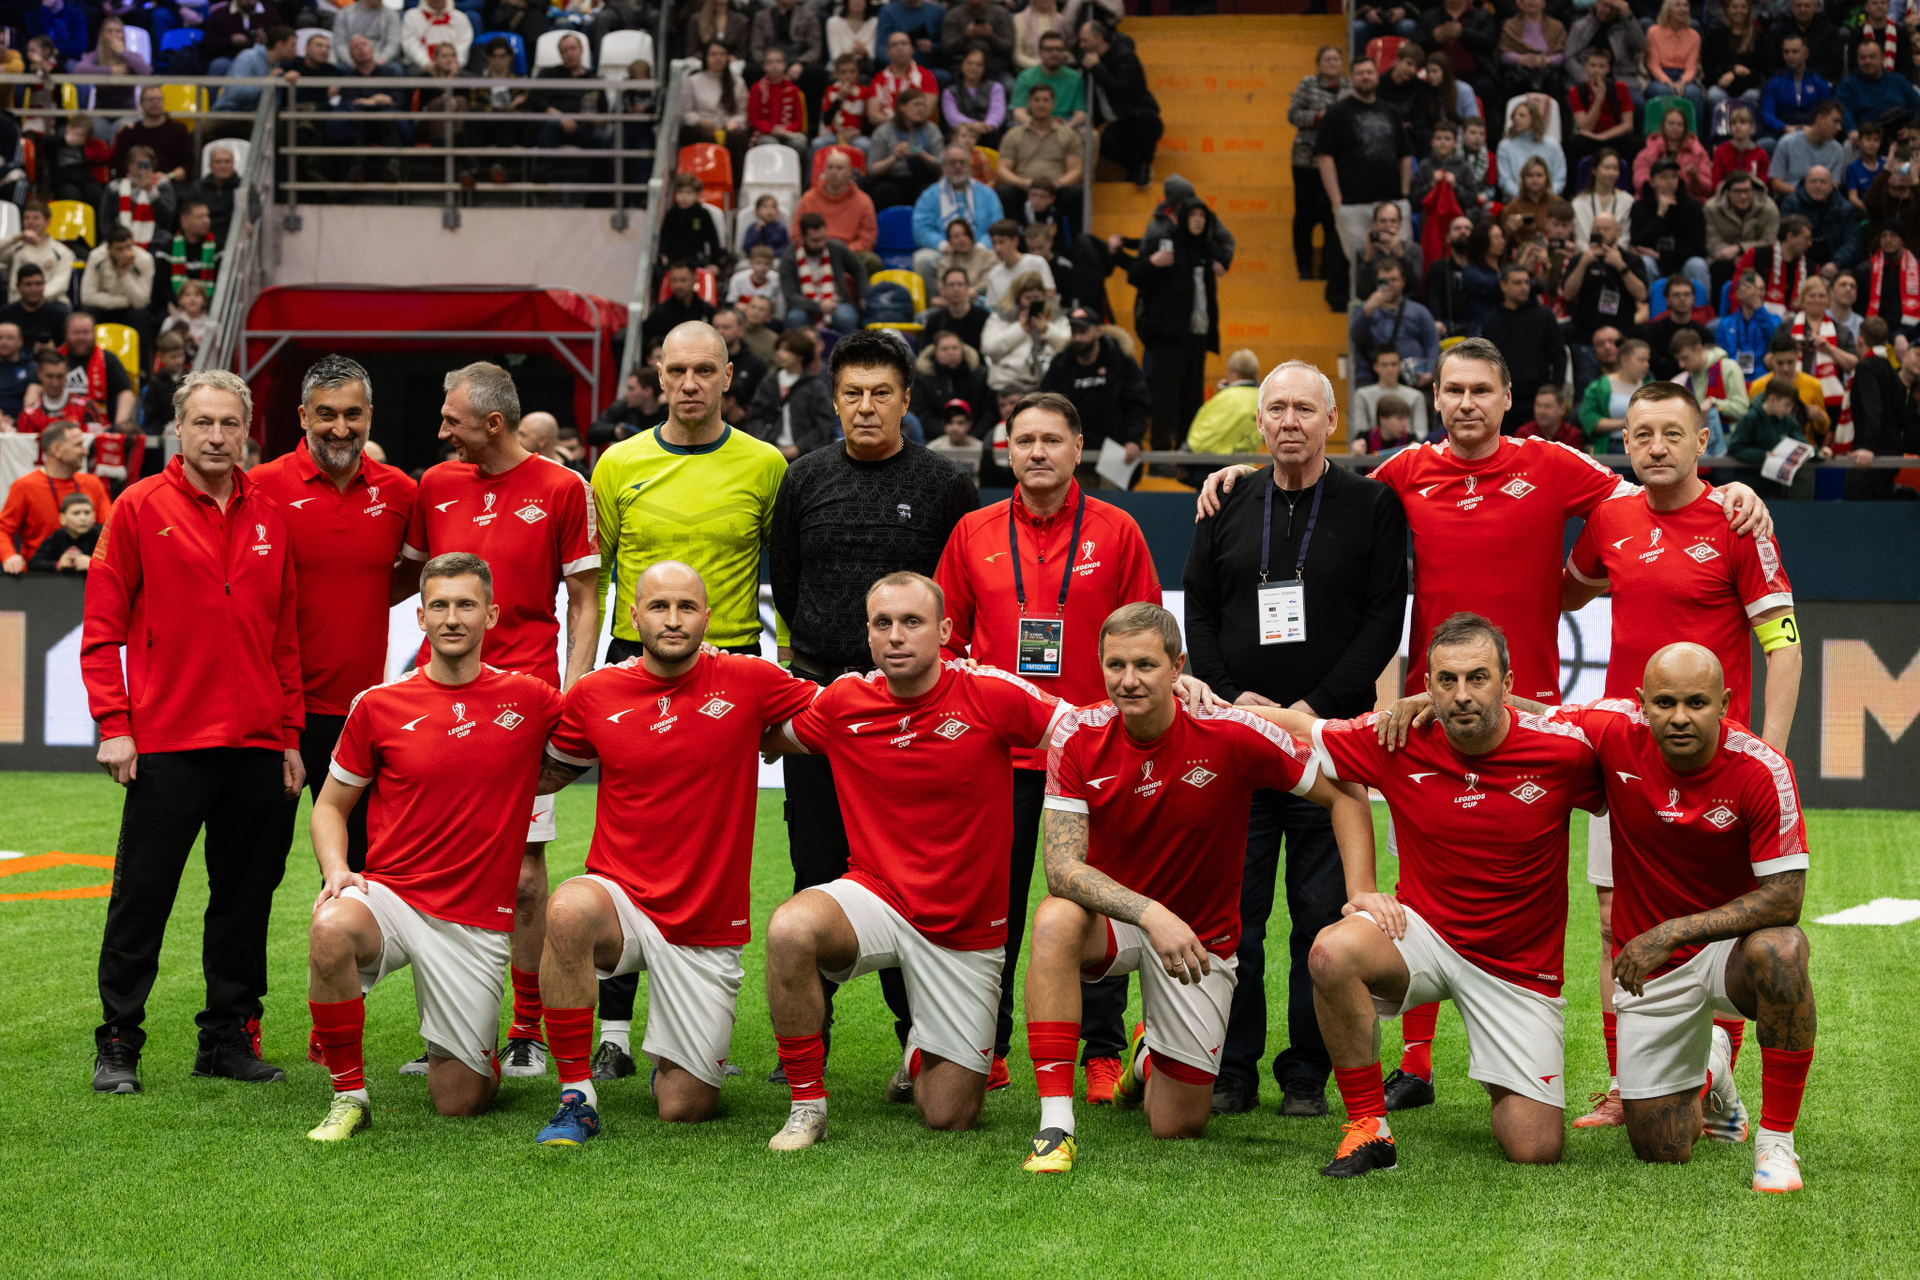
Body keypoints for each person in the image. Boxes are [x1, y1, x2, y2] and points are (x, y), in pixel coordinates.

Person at [1021, 602, 1374, 1170]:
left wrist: (1362, 892)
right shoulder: (1077, 734)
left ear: (1177, 666)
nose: (1129, 681)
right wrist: (1150, 913)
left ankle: (1147, 1060)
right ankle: (1056, 1124)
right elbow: (1061, 868)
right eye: (1115, 665)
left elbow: (1345, 793)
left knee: (1176, 1126)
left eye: (1145, 665)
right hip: (1123, 920)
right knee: (1054, 919)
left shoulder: (1230, 730)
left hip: (1200, 938)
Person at [1267, 613, 1603, 1175]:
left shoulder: (1563, 753)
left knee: (1534, 1148)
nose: (1462, 695)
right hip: (1421, 932)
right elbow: (1299, 728)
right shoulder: (1397, 738)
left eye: (1478, 678)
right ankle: (1369, 1126)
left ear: (1507, 682)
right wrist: (1202, 702)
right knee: (1330, 952)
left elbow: (1638, 758)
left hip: (1517, 968)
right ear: (1426, 686)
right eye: (1447, 681)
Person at [757, 570, 1067, 1149]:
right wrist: (703, 675)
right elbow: (761, 731)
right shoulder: (845, 701)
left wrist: (1177, 696)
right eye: (883, 623)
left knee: (949, 1115)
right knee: (791, 928)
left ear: (945, 631)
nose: (896, 636)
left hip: (965, 927)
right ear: (868, 635)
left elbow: (1087, 734)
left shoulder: (990, 692)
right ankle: (806, 1105)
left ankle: (921, 1052)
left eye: (912, 622)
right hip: (877, 896)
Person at [1559, 380, 1799, 1125]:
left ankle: (1713, 1077)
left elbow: (1784, 644)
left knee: (1728, 920)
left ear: (1703, 441)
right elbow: (1563, 593)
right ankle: (1626, 1083)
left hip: (1717, 768)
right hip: (1626, 763)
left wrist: (1768, 759)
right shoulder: (1610, 518)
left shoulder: (1737, 520)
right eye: (1641, 435)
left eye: (1672, 433)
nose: (1656, 447)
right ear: (1624, 444)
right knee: (1612, 921)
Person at [1181, 360, 1409, 1117]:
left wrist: (1312, 712)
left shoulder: (1372, 504)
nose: (1289, 421)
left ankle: (1307, 1071)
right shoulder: (1226, 500)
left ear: (1331, 421)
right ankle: (1232, 1067)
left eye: (1304, 410)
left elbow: (1383, 621)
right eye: (1275, 408)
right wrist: (1227, 702)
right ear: (1258, 422)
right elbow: (1200, 612)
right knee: (1233, 918)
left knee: (1320, 914)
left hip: (1329, 745)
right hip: (1237, 747)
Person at [528, 560, 820, 1139]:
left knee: (685, 1108)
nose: (673, 619)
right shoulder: (596, 693)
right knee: (566, 909)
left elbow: (839, 713)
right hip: (621, 902)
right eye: (659, 607)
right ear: (634, 616)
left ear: (707, 618)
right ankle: (576, 1094)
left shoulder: (749, 679)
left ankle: (673, 1063)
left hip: (704, 921)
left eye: (686, 607)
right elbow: (545, 774)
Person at [767, 331, 981, 1089]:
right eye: (852, 393)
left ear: (906, 401)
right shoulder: (804, 478)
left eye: (881, 393)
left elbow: (958, 591)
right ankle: (808, 1046)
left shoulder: (945, 483)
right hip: (824, 707)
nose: (866, 406)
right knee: (816, 868)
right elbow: (788, 583)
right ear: (833, 401)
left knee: (912, 878)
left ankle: (918, 1040)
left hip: (912, 718)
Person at [933, 392, 1162, 1097]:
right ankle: (988, 1044)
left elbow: (1146, 636)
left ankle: (1101, 1050)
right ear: (1006, 449)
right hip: (998, 754)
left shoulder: (1119, 530)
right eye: (1024, 440)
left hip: (1094, 752)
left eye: (1052, 440)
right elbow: (947, 643)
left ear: (1078, 448)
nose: (1037, 452)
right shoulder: (972, 531)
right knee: (990, 902)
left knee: (1097, 900)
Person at [82, 371, 304, 1095]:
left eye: (229, 424)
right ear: (178, 428)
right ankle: (119, 1041)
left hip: (257, 745)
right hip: (167, 742)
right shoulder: (138, 505)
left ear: (247, 432)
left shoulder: (271, 515)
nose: (216, 436)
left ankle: (227, 1039)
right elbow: (102, 628)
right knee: (142, 897)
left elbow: (284, 640)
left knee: (245, 899)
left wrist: (290, 736)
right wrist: (115, 723)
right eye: (203, 422)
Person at [302, 552, 564, 1141]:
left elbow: (608, 716)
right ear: (419, 617)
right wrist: (337, 869)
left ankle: (473, 1051)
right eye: (439, 606)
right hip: (393, 898)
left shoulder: (531, 699)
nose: (452, 618)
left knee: (459, 1102)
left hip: (475, 920)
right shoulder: (378, 704)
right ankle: (348, 1096)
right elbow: (330, 806)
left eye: (466, 605)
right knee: (331, 927)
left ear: (490, 615)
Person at [1540, 648, 1816, 1194]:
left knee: (1782, 949)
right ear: (1642, 704)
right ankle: (1713, 1068)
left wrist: (1672, 931)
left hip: (1728, 951)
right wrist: (1434, 701)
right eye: (1665, 703)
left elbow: (1786, 899)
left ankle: (1776, 1143)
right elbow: (1523, 716)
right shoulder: (1612, 731)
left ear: (1725, 704)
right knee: (1662, 1149)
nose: (1680, 717)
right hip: (1654, 973)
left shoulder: (1763, 768)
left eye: (1697, 703)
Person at [400, 362, 601, 1078]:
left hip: (525, 705)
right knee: (441, 868)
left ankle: (525, 1029)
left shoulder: (562, 487)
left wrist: (573, 696)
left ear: (492, 422)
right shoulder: (435, 484)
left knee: (522, 876)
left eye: (451, 420)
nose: (441, 432)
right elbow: (406, 584)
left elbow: (586, 599)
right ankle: (451, 1030)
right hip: (440, 701)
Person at [248, 355, 418, 895]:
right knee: (250, 876)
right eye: (326, 414)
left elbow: (415, 573)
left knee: (364, 875)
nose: (340, 428)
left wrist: (360, 600)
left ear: (370, 415)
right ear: (303, 416)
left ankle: (346, 959)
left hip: (360, 714)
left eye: (352, 414)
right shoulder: (259, 487)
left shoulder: (400, 492)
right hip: (272, 713)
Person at [1130, 196, 1225, 451]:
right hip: (1169, 335)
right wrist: (1153, 262)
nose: (1198, 221)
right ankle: (1160, 453)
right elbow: (1135, 274)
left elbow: (1223, 260)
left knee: (1193, 397)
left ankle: (1186, 453)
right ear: (1183, 218)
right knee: (1166, 396)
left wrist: (1221, 263)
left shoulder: (1205, 246)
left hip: (1198, 333)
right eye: (1193, 215)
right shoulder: (1166, 242)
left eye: (1202, 216)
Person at [1315, 56, 1412, 303]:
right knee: (1361, 266)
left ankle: (1401, 314)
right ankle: (1361, 316)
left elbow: (1405, 155)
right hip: (1353, 205)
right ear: (1351, 78)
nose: (1365, 77)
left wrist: (1404, 194)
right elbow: (1325, 158)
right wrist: (1336, 201)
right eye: (1360, 73)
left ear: (1377, 76)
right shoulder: (1336, 114)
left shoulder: (1390, 112)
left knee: (1398, 261)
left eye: (1369, 72)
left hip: (1392, 203)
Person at [1037, 304, 1149, 475]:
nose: (1077, 338)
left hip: (1115, 449)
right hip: (1073, 451)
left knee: (1110, 493)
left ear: (1098, 331)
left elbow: (1137, 402)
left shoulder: (1120, 361)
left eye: (1083, 331)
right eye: (1074, 332)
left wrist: (1133, 439)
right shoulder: (1061, 364)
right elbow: (1046, 405)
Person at [0, 419, 110, 572]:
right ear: (56, 450)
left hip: (86, 574)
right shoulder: (24, 486)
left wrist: (96, 562)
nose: (85, 451)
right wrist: (9, 556)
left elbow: (109, 532)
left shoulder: (92, 483)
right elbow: (3, 530)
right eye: (78, 445)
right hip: (39, 576)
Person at [1480, 263, 1566, 434]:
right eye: (1517, 283)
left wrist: (1554, 389)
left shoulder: (1544, 315)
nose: (1524, 287)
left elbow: (1558, 355)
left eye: (1527, 282)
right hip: (1503, 398)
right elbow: (1487, 361)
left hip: (1536, 400)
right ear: (1503, 286)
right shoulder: (1492, 320)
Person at [1289, 46, 1349, 281]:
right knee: (1304, 216)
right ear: (1319, 64)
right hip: (1306, 161)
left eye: (1336, 59)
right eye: (1328, 59)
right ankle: (1304, 266)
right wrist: (1318, 117)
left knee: (1331, 216)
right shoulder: (1307, 84)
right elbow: (1293, 114)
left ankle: (1328, 266)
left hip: (1337, 162)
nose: (1333, 63)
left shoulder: (1349, 87)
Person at [1078, 20, 1161, 189]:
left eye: (1085, 40)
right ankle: (1135, 166)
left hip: (1136, 114)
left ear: (1098, 38)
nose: (1081, 45)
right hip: (1115, 122)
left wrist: (1097, 68)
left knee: (1148, 121)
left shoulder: (1124, 57)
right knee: (1105, 143)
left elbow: (1120, 90)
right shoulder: (1088, 62)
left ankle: (1143, 164)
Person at [911, 144, 1005, 279]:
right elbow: (921, 229)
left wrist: (980, 247)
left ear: (969, 166)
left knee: (1002, 257)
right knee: (922, 260)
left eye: (962, 162)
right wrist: (944, 245)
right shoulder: (929, 195)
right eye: (952, 163)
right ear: (943, 167)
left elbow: (997, 227)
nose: (958, 166)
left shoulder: (987, 194)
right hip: (944, 251)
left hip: (981, 250)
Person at [1346, 259, 1439, 391]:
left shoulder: (1419, 311)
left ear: (1403, 281)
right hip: (1374, 378)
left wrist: (1430, 371)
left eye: (1394, 280)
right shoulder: (1366, 310)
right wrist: (1368, 310)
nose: (1389, 285)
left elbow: (1432, 344)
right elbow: (1356, 338)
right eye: (1383, 281)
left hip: (1413, 378)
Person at [995, 83, 1081, 224]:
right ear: (1029, 103)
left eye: (1045, 100)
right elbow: (1002, 169)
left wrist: (1056, 184)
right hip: (1023, 188)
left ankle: (1073, 238)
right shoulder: (1013, 135)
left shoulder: (1069, 135)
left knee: (1077, 193)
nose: (1041, 104)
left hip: (1056, 189)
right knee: (1004, 192)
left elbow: (1076, 170)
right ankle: (1013, 236)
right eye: (1036, 100)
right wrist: (1023, 183)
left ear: (1053, 103)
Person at [1731, 378, 1823, 498]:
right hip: (1751, 486)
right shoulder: (1751, 418)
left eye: (1792, 406)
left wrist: (1818, 452)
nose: (1789, 410)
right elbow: (1735, 448)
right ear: (1772, 399)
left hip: (1777, 487)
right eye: (1787, 405)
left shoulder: (1789, 420)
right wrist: (1762, 455)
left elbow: (1802, 445)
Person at [781, 212, 867, 331]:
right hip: (804, 305)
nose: (821, 244)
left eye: (823, 238)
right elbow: (791, 296)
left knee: (846, 318)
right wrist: (819, 306)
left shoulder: (835, 248)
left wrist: (863, 295)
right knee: (796, 318)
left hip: (837, 302)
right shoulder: (789, 257)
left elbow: (858, 269)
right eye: (815, 240)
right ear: (803, 237)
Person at [797, 150, 881, 266]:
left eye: (839, 168)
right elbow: (797, 233)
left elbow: (867, 239)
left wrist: (841, 252)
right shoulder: (808, 198)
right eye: (830, 167)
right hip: (814, 251)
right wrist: (818, 248)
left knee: (872, 261)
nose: (834, 172)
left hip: (849, 254)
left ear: (850, 172)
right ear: (824, 171)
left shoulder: (864, 201)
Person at [1185, 349, 1262, 456]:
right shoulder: (1262, 398)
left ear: (1237, 374)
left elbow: (1201, 440)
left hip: (1216, 461)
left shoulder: (1229, 397)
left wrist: (1188, 449)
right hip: (1247, 461)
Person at [111, 84, 192, 182]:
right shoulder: (130, 131)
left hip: (170, 182)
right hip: (135, 182)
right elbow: (120, 163)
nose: (155, 102)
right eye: (150, 99)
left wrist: (168, 177)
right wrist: (142, 175)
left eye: (158, 99)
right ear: (141, 103)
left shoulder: (178, 129)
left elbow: (187, 164)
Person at [1769, 99, 1847, 200]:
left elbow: (1834, 186)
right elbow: (1776, 183)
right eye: (1835, 121)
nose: (1839, 128)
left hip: (1822, 202)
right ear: (1820, 119)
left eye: (1840, 123)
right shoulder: (1787, 143)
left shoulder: (1838, 150)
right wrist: (1806, 194)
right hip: (1792, 200)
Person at [1349, 346, 1430, 441]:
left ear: (1400, 366)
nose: (1390, 369)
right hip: (1373, 448)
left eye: (1393, 364)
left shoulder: (1416, 396)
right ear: (1376, 367)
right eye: (1385, 365)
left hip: (1408, 446)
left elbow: (1421, 433)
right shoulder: (1362, 395)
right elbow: (1360, 433)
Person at [0, 201, 75, 303]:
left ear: (47, 222)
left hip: (50, 303)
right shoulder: (16, 248)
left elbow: (59, 285)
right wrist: (17, 237)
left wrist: (32, 298)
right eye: (26, 218)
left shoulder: (62, 252)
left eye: (35, 218)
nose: (30, 222)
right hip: (18, 303)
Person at [749, 47, 812, 166]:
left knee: (799, 143)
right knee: (770, 143)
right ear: (764, 66)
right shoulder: (757, 89)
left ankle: (795, 176)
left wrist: (785, 131)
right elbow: (754, 119)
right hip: (766, 133)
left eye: (778, 61)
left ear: (785, 65)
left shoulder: (794, 90)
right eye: (770, 62)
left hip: (788, 132)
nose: (774, 65)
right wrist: (772, 130)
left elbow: (799, 120)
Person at [1013, 30, 1087, 129]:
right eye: (1049, 49)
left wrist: (1065, 129)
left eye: (1059, 49)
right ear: (1040, 52)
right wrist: (1041, 127)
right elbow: (1019, 112)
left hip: (1066, 125)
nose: (1054, 53)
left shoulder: (1076, 78)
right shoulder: (1026, 77)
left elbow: (1080, 113)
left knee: (1091, 134)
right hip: (1033, 125)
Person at [29, 488, 99, 573]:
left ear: (94, 516)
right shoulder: (58, 536)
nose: (83, 518)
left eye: (87, 513)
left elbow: (113, 566)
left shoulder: (101, 538)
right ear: (63, 518)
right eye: (76, 513)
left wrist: (94, 565)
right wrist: (58, 565)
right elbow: (33, 564)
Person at [922, 262, 992, 347]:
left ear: (967, 287)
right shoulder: (935, 321)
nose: (956, 289)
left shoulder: (983, 318)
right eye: (951, 285)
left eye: (960, 284)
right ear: (943, 289)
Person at [0, 321, 31, 421]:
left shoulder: (31, 367)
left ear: (20, 341)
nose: (4, 342)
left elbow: (32, 402)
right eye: (0, 337)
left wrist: (17, 421)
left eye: (10, 338)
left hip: (22, 421)